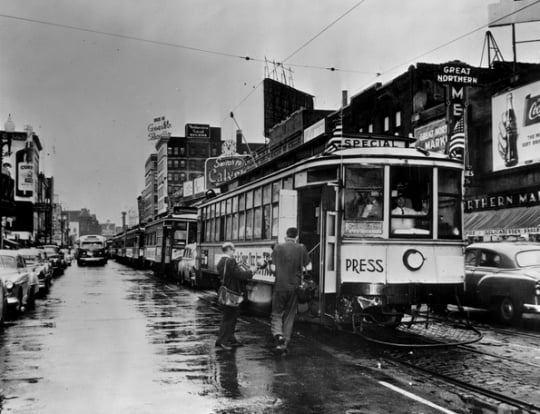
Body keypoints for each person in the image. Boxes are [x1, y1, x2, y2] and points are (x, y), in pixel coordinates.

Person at [270, 227, 311, 353]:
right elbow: (309, 266)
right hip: (294, 287)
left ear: (286, 236)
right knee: (289, 315)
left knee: (277, 313)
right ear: (297, 237)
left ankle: (278, 334)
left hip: (279, 286)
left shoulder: (277, 247)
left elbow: (272, 268)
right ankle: (284, 344)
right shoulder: (301, 248)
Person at [215, 242, 255, 351]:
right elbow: (239, 275)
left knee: (231, 316)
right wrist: (251, 272)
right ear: (228, 249)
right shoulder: (230, 261)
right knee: (229, 317)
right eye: (233, 249)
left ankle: (231, 338)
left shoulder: (221, 261)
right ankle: (221, 341)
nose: (234, 251)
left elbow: (230, 273)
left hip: (226, 291)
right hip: (232, 292)